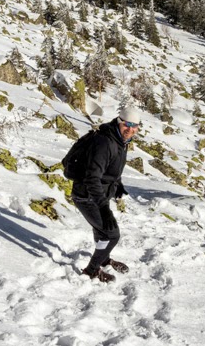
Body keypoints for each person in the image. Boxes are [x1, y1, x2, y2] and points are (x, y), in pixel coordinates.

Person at [72, 106, 141, 282]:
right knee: (111, 234)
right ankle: (91, 270)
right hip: (87, 195)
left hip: (100, 194)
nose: (130, 129)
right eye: (128, 124)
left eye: (135, 126)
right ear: (119, 122)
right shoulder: (105, 143)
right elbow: (92, 178)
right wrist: (103, 208)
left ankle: (103, 258)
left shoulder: (121, 141)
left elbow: (111, 169)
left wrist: (117, 184)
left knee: (101, 230)